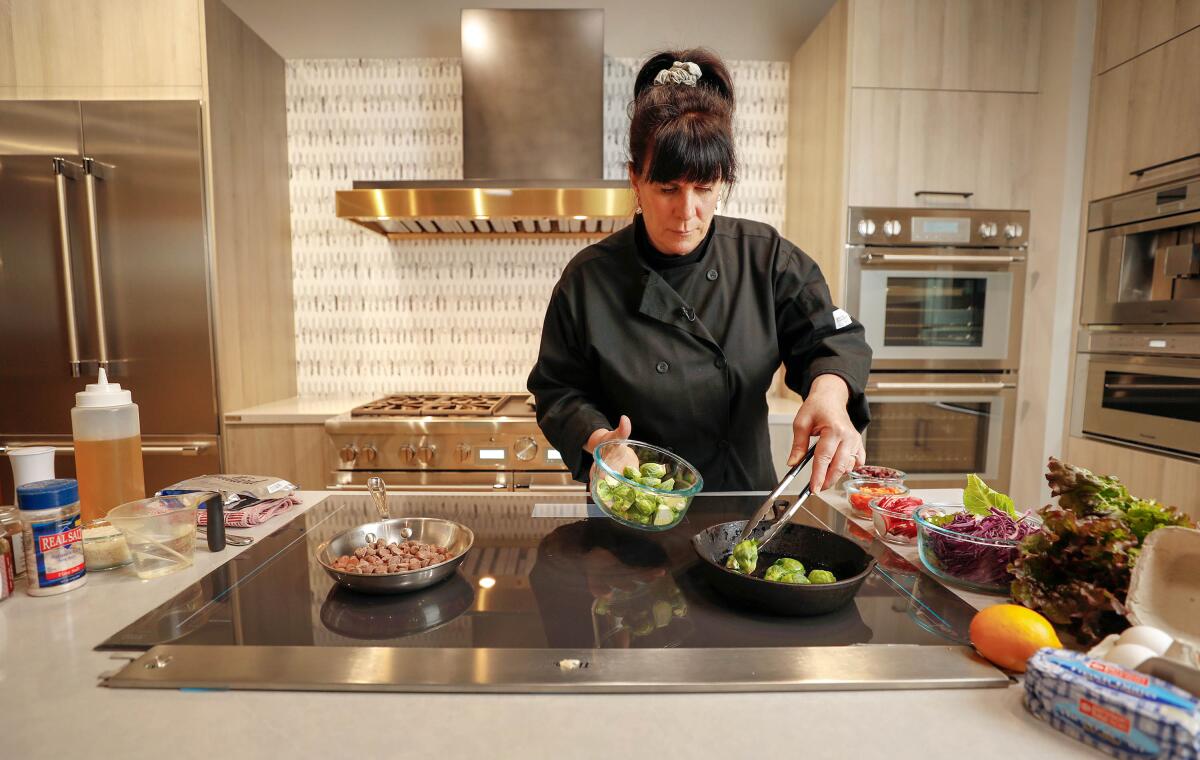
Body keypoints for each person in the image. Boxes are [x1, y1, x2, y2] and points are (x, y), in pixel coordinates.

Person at [527, 49, 872, 494]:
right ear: (635, 179)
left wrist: (829, 394)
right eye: (667, 187)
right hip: (631, 504)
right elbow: (559, 390)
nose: (687, 212)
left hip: (741, 508)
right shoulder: (589, 279)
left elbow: (831, 336)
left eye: (704, 188)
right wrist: (601, 445)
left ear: (722, 184)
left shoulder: (764, 258)